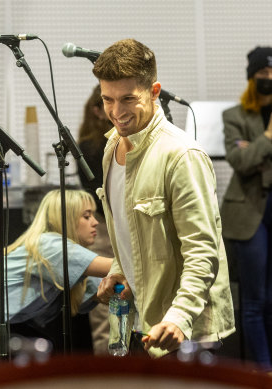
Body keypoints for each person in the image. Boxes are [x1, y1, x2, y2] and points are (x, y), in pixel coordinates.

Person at [93, 38, 235, 358]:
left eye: (129, 99)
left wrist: (179, 317)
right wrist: (118, 270)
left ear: (154, 91)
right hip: (137, 322)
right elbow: (128, 234)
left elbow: (203, 251)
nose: (117, 112)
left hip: (184, 331)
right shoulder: (111, 148)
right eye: (108, 99)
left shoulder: (182, 155)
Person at [0, 189, 112, 355]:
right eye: (87, 216)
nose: (95, 222)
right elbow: (114, 267)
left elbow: (109, 287)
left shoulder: (69, 260)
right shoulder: (51, 246)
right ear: (66, 219)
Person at [221, 46, 272, 369]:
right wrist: (268, 137)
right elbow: (240, 161)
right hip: (250, 214)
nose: (269, 79)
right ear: (252, 78)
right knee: (254, 301)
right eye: (263, 74)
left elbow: (251, 157)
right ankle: (264, 372)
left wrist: (257, 150)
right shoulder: (235, 116)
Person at [77, 84, 115, 355]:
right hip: (104, 227)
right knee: (104, 307)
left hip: (122, 226)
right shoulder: (88, 146)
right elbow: (100, 190)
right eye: (109, 103)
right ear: (97, 111)